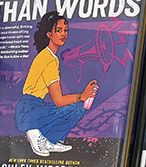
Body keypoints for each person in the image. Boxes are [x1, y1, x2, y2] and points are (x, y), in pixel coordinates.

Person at [14, 11, 98, 157]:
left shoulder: (51, 57)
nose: (63, 34)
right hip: (28, 111)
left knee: (78, 108)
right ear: (48, 34)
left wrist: (82, 97)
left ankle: (50, 141)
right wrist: (81, 96)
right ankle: (34, 132)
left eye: (65, 30)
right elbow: (58, 101)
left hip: (35, 107)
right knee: (77, 108)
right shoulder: (48, 59)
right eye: (58, 30)